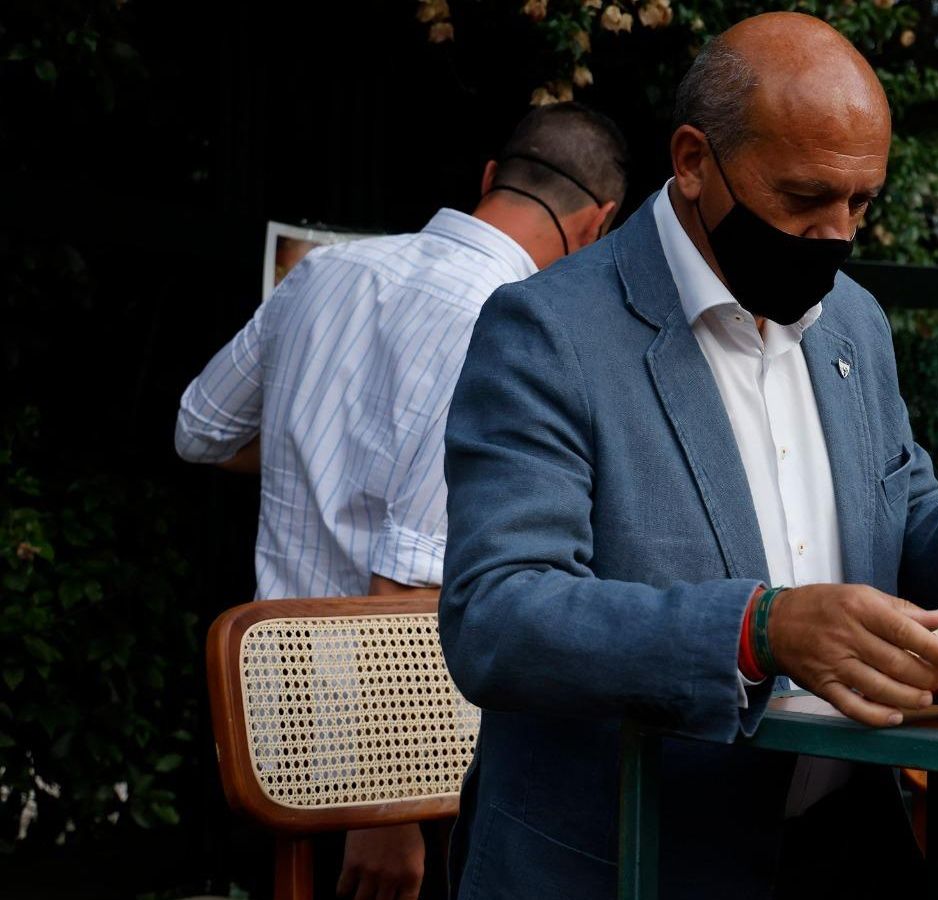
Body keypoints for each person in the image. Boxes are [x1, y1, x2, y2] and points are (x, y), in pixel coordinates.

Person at [438, 13, 938, 899]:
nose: (835, 234)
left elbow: (893, 535)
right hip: (632, 858)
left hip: (848, 849)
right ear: (693, 161)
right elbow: (498, 616)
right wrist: (757, 630)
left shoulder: (853, 322)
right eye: (803, 198)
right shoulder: (549, 329)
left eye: (861, 203)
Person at [174, 102, 627, 900]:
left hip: (274, 719)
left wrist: (314, 444)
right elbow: (408, 578)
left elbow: (201, 430)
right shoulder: (512, 321)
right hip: (401, 761)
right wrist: (383, 814)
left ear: (490, 177)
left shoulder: (326, 271)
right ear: (599, 224)